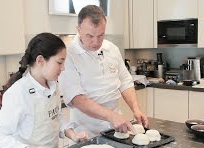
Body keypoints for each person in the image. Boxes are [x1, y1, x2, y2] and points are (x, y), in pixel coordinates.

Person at [0, 33, 88, 148]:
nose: (63, 68)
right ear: (40, 60)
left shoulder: (54, 86)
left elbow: (56, 117)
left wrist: (72, 134)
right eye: (59, 62)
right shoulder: (18, 93)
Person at [59, 5, 149, 138]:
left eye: (100, 35)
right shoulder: (68, 55)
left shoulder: (112, 49)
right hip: (85, 131)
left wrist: (136, 109)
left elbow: (125, 81)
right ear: (78, 30)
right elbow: (76, 99)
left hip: (116, 128)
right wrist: (112, 116)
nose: (96, 42)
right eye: (89, 36)